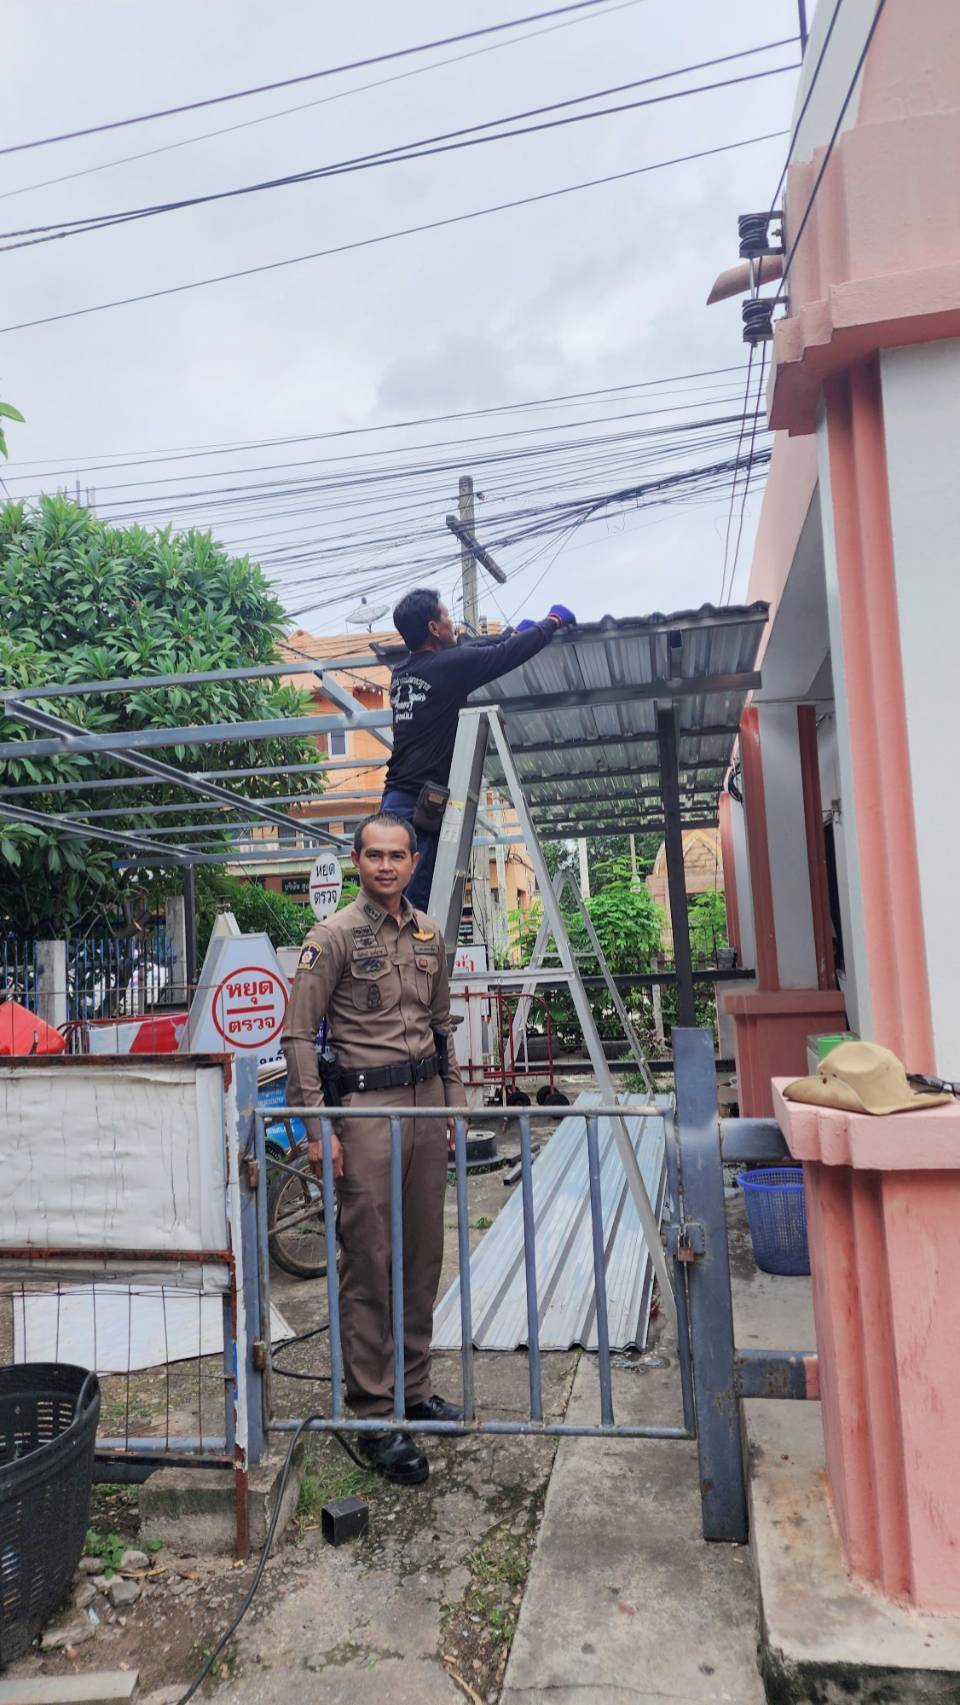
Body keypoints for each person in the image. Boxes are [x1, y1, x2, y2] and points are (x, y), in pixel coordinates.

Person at [281, 811, 466, 1486]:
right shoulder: (331, 936)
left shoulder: (429, 935)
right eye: (374, 855)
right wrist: (316, 1128)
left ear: (414, 862)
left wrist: (453, 1105)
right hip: (363, 1114)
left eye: (397, 855)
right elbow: (298, 1036)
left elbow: (441, 1027)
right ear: (356, 861)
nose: (386, 866)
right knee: (369, 1258)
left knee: (422, 1254)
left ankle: (414, 1390)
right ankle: (373, 1413)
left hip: (424, 1108)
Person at [381, 588, 576, 908]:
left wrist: (510, 633)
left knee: (391, 891)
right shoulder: (449, 666)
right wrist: (552, 621)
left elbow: (471, 649)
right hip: (421, 804)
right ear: (433, 628)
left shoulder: (401, 672)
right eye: (447, 616)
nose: (453, 623)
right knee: (415, 898)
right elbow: (503, 655)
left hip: (394, 798)